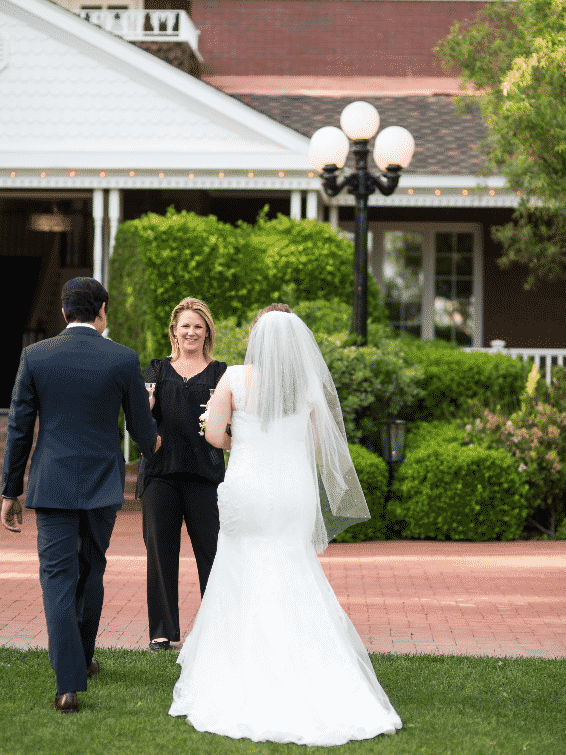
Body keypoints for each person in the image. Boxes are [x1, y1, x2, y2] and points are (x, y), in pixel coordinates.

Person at [168, 304, 402, 745]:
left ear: (257, 341)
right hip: (291, 494)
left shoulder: (234, 377)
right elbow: (316, 440)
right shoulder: (306, 386)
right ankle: (307, 660)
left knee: (240, 567)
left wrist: (246, 439)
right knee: (293, 568)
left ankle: (239, 664)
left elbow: (215, 435)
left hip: (249, 491)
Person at [1, 277, 159, 714]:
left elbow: (19, 427)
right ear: (102, 309)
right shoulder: (123, 358)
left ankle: (68, 683)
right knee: (91, 570)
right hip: (103, 485)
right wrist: (156, 445)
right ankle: (83, 660)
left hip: (51, 483)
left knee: (56, 578)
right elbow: (142, 428)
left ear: (65, 312)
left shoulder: (36, 355)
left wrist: (10, 490)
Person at [137, 297, 227, 652]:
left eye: (198, 326)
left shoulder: (221, 373)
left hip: (206, 475)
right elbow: (139, 417)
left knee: (213, 554)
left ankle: (217, 626)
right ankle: (162, 631)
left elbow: (234, 420)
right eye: (184, 326)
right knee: (160, 554)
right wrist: (147, 422)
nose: (191, 332)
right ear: (174, 331)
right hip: (161, 475)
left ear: (207, 333)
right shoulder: (155, 370)